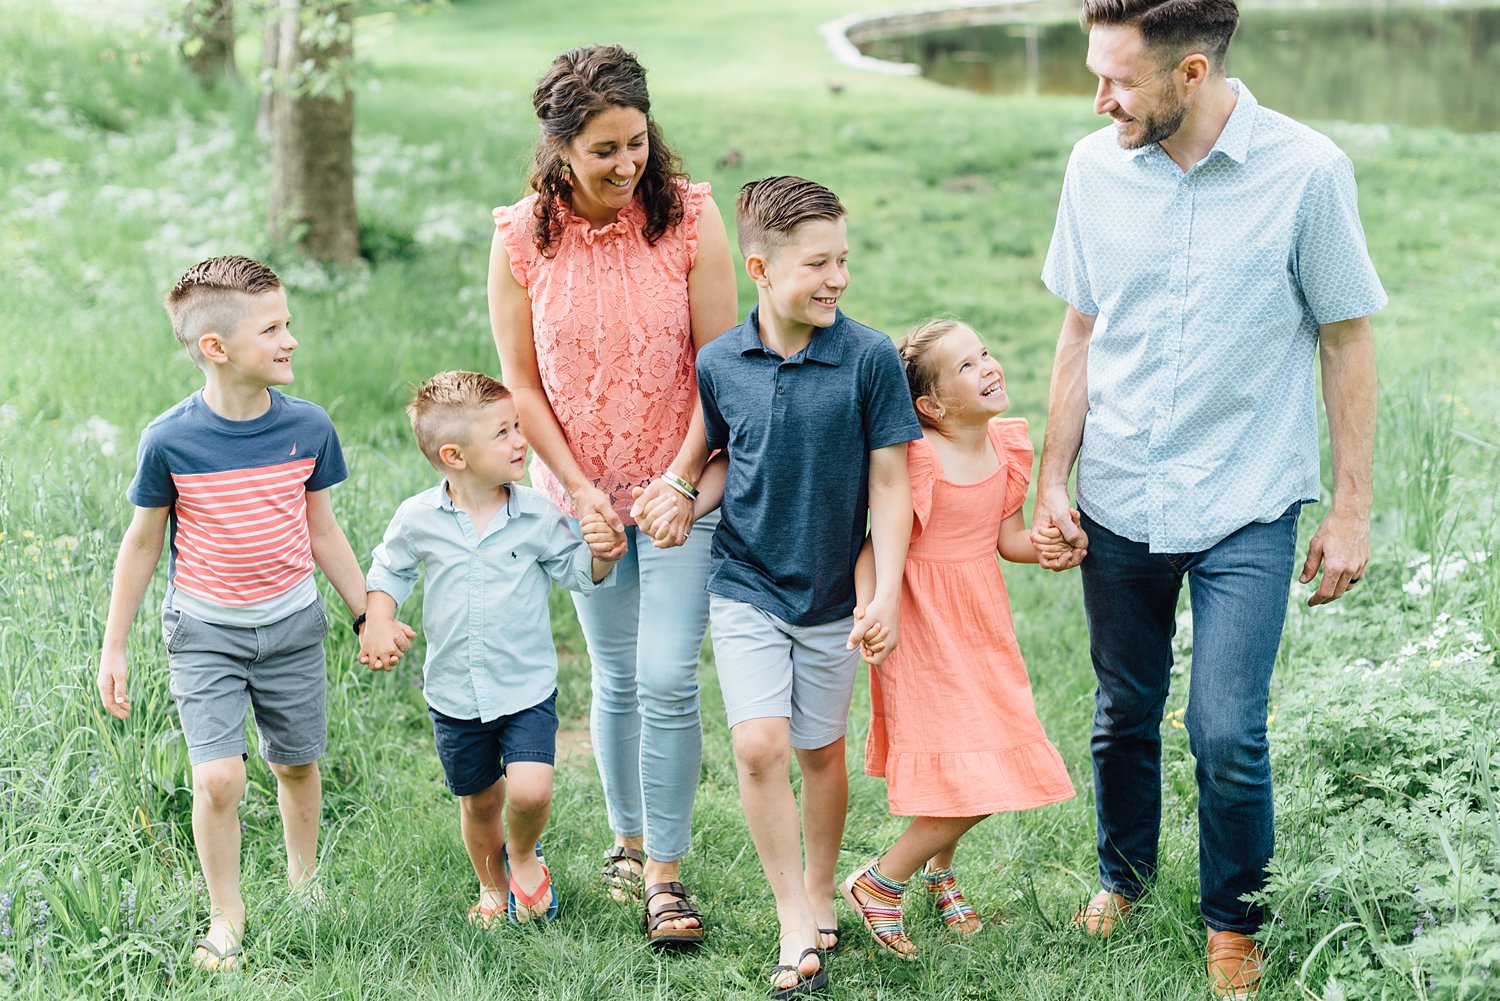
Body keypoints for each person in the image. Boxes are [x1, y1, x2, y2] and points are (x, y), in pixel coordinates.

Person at [1032, 2, 1386, 996]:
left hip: (1247, 496)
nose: (1099, 100)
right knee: (1122, 711)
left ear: (1191, 73)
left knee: (1226, 726)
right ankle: (1125, 873)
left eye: (1119, 80)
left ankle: (1235, 917)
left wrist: (1350, 507)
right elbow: (1078, 331)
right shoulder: (1093, 166)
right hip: (1118, 490)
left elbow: (1347, 338)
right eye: (1095, 74)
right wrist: (1051, 478)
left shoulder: (1307, 172)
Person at [488, 43, 737, 947]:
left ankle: (667, 875)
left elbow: (723, 370)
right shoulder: (521, 235)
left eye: (637, 141)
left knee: (670, 675)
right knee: (618, 676)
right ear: (560, 149)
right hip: (579, 496)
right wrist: (580, 490)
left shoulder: (688, 219)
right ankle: (626, 844)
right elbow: (520, 383)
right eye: (604, 150)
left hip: (682, 487)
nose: (627, 164)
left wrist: (678, 478)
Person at [95, 256, 407, 971]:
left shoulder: (309, 427)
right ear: (216, 347)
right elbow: (142, 544)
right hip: (205, 631)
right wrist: (115, 646)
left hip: (293, 625)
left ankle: (304, 879)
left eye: (288, 322)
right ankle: (226, 910)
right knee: (219, 779)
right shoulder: (170, 439)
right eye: (272, 328)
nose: (290, 339)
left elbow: (323, 530)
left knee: (296, 763)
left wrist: (369, 616)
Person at [688, 175, 922, 997]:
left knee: (822, 749)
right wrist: (681, 494)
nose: (837, 279)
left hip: (833, 594)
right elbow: (723, 455)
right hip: (747, 578)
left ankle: (823, 889)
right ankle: (794, 916)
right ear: (760, 266)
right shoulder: (720, 361)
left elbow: (891, 486)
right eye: (818, 263)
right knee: (760, 744)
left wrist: (884, 591)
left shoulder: (868, 359)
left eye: (843, 260)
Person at [837, 319, 1076, 958]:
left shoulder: (1006, 447)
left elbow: (1006, 540)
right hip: (918, 624)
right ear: (931, 406)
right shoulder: (917, 459)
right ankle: (882, 881)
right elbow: (873, 544)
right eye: (967, 367)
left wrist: (1046, 548)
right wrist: (871, 608)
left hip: (979, 619)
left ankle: (939, 871)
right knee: (980, 763)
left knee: (974, 750)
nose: (989, 366)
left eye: (985, 353)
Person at [359, 371, 623, 926]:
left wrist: (603, 555)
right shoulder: (418, 519)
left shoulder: (535, 516)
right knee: (479, 802)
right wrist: (378, 620)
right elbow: (389, 571)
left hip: (524, 685)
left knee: (528, 790)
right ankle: (491, 884)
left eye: (516, 427)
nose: (520, 441)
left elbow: (575, 571)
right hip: (454, 691)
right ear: (455, 455)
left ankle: (524, 854)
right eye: (502, 433)